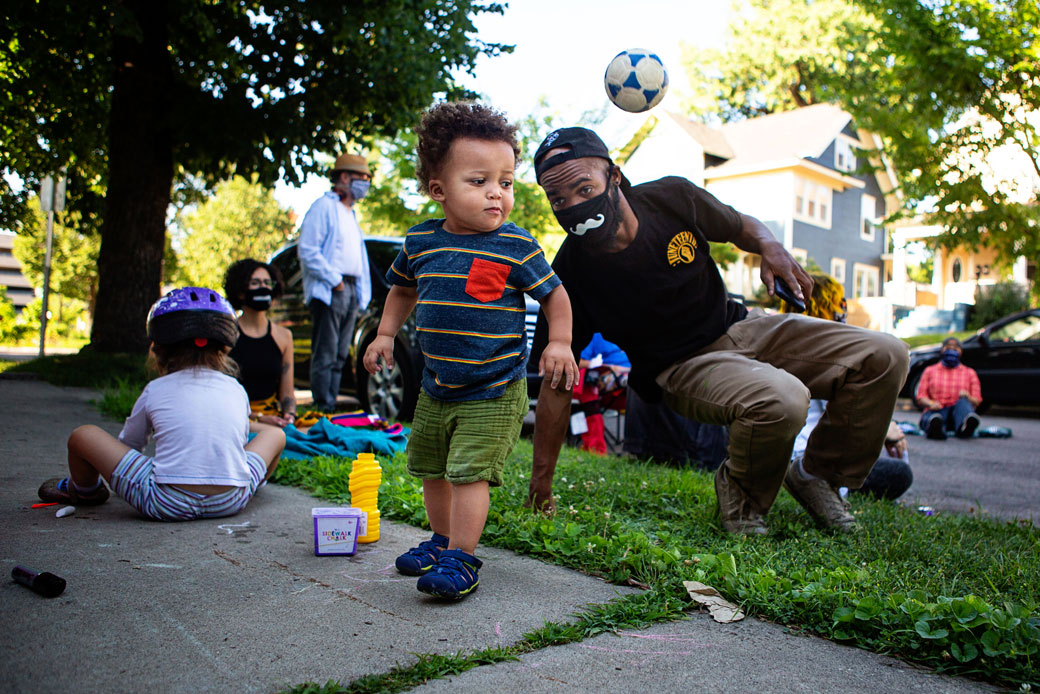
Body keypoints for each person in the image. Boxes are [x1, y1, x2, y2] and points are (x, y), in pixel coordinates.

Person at [528, 126, 910, 536]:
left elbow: (740, 225)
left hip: (742, 325)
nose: (574, 206)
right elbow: (556, 383)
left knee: (885, 353)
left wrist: (771, 246)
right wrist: (540, 484)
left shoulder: (671, 198)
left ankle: (818, 475)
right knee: (783, 398)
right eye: (558, 199)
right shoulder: (569, 276)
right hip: (681, 368)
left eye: (584, 188)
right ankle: (743, 501)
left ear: (614, 177)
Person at [363, 102, 577, 599]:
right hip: (436, 386)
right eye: (479, 181)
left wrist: (560, 341)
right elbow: (402, 290)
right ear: (439, 190)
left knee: (468, 473)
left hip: (493, 386)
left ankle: (463, 556)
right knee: (433, 468)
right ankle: (441, 541)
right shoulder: (420, 242)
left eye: (505, 181)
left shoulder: (516, 246)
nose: (496, 193)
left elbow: (555, 295)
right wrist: (385, 334)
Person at [37, 287, 286, 521]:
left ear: (158, 350)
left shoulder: (155, 389)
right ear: (223, 350)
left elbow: (131, 445)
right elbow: (238, 443)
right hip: (232, 499)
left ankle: (85, 490)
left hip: (165, 502)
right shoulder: (236, 388)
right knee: (275, 435)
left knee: (83, 435)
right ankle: (254, 484)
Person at [787, 273, 913, 501]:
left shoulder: (784, 338)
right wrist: (886, 429)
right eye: (840, 301)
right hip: (809, 457)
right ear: (830, 303)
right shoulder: (830, 347)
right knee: (901, 473)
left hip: (777, 452)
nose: (843, 307)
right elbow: (849, 412)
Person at [298, 152, 373, 412]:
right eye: (360, 177)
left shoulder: (350, 214)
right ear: (344, 177)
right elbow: (308, 250)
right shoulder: (323, 207)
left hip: (350, 289)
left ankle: (331, 404)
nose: (365, 183)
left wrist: (360, 294)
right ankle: (323, 406)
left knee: (341, 354)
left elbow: (360, 259)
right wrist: (334, 281)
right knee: (326, 352)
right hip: (332, 289)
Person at [224, 259, 297, 428]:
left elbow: (287, 393)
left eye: (267, 282)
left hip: (273, 419)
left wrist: (290, 416)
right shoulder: (226, 336)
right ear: (240, 291)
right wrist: (257, 418)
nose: (263, 287)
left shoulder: (284, 336)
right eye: (255, 283)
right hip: (236, 418)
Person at [915, 336, 982, 440]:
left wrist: (968, 396)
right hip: (938, 408)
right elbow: (921, 397)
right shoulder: (930, 371)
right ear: (942, 350)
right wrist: (931, 403)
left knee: (963, 403)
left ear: (961, 351)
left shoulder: (970, 373)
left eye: (955, 349)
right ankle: (936, 428)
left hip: (958, 412)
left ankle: (965, 427)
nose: (951, 351)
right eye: (948, 348)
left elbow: (977, 400)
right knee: (934, 416)